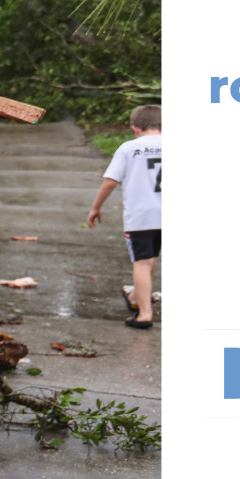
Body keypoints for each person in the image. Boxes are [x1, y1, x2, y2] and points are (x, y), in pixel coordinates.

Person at [85, 105, 161, 329]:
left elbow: (111, 182)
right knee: (151, 257)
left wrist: (96, 207)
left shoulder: (129, 148)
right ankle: (137, 297)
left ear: (135, 128)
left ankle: (144, 313)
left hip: (142, 215)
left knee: (142, 261)